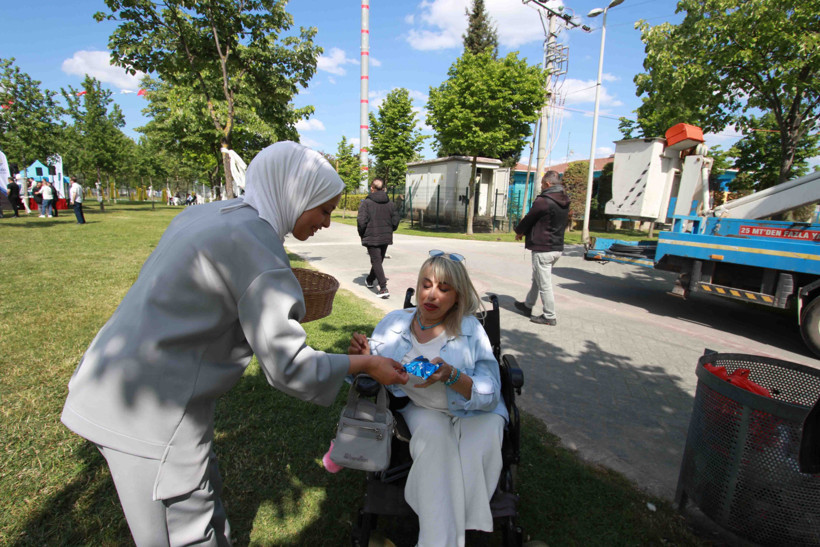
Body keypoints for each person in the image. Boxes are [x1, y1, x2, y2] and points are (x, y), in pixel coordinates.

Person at [60, 141, 409, 546]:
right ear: (296, 194)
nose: (328, 222)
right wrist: (365, 366)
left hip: (112, 382)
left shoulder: (209, 214)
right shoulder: (256, 246)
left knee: (203, 502)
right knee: (185, 534)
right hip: (151, 415)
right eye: (325, 209)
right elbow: (289, 366)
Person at [348, 251, 507, 547]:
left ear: (457, 297)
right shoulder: (394, 323)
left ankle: (445, 531)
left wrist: (452, 376)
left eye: (444, 289)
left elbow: (491, 389)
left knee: (478, 446)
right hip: (422, 408)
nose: (431, 295)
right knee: (435, 444)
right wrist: (362, 359)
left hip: (475, 409)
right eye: (426, 285)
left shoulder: (471, 330)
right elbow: (369, 376)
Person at [513, 170, 569, 326]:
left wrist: (519, 232)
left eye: (543, 184)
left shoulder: (543, 201)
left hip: (543, 248)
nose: (542, 187)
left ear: (548, 184)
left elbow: (529, 218)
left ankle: (549, 316)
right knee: (538, 278)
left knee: (544, 284)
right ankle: (527, 305)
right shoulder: (565, 199)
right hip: (557, 247)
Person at [357, 178, 400, 298]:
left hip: (372, 236)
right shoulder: (390, 203)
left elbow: (361, 221)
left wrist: (362, 234)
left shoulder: (366, 203)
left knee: (376, 261)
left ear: (372, 188)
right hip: (385, 236)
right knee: (378, 261)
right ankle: (370, 279)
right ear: (383, 188)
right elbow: (396, 220)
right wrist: (390, 230)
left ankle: (383, 288)